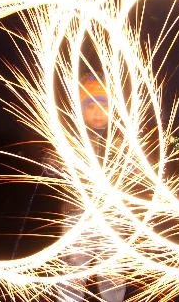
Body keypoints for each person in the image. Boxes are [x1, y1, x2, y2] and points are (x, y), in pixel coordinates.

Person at [57, 73, 126, 302]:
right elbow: (57, 168)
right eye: (90, 105)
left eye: (104, 105)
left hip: (112, 217)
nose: (98, 112)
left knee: (113, 271)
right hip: (77, 216)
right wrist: (54, 164)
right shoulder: (71, 140)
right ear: (81, 109)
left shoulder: (120, 140)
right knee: (73, 271)